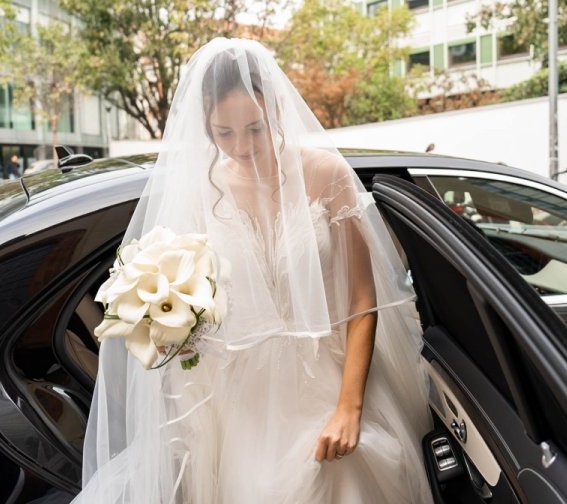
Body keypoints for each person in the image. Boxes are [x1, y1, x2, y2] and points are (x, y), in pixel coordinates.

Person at [76, 38, 432, 503]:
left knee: (341, 477)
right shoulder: (202, 193)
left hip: (331, 376)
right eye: (224, 133)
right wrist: (175, 328)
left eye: (256, 128)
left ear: (278, 112)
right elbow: (191, 300)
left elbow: (363, 301)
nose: (242, 146)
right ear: (206, 124)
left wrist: (349, 407)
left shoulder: (327, 175)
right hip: (242, 400)